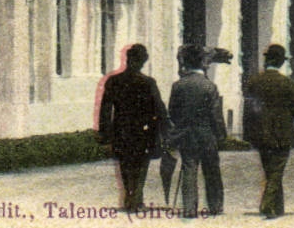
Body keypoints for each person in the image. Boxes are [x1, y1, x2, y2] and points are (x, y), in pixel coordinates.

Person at [95, 43, 168, 212]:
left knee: (125, 166)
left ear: (127, 59)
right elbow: (159, 109)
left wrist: (105, 134)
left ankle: (130, 197)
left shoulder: (113, 81)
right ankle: (135, 198)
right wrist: (164, 130)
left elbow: (105, 110)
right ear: (143, 61)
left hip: (121, 130)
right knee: (141, 166)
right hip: (143, 131)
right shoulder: (148, 82)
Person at [243, 43, 294, 219]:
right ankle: (268, 203)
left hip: (261, 135)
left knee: (270, 169)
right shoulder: (287, 83)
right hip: (282, 134)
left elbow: (248, 110)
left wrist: (247, 135)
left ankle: (277, 208)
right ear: (280, 62)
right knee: (277, 170)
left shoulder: (254, 82)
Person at [168, 44, 228, 218]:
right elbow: (216, 115)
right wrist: (221, 136)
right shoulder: (209, 86)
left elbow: (172, 111)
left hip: (186, 134)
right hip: (207, 135)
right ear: (202, 63)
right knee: (212, 170)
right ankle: (215, 206)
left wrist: (180, 126)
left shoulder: (178, 85)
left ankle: (189, 208)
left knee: (189, 168)